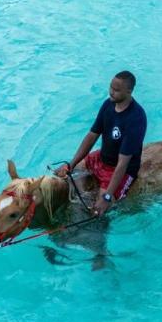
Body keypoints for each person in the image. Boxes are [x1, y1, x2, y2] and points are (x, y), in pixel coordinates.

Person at [57, 71, 147, 216]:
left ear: (129, 91)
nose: (111, 92)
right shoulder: (108, 105)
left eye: (116, 90)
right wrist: (71, 164)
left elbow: (123, 164)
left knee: (98, 211)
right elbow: (92, 136)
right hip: (100, 158)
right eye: (111, 87)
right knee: (69, 177)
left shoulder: (136, 118)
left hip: (120, 169)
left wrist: (106, 197)